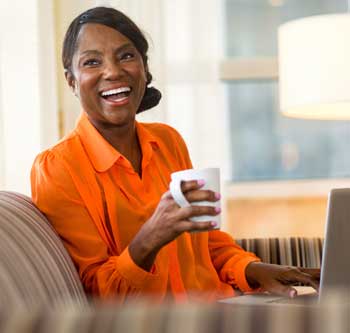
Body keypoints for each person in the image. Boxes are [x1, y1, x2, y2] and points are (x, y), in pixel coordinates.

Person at [31, 6, 320, 303]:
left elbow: (205, 242)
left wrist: (254, 269)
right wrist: (151, 237)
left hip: (219, 311)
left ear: (144, 68)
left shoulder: (168, 141)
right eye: (92, 62)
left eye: (127, 56)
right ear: (71, 81)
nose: (113, 71)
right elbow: (99, 293)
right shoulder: (59, 167)